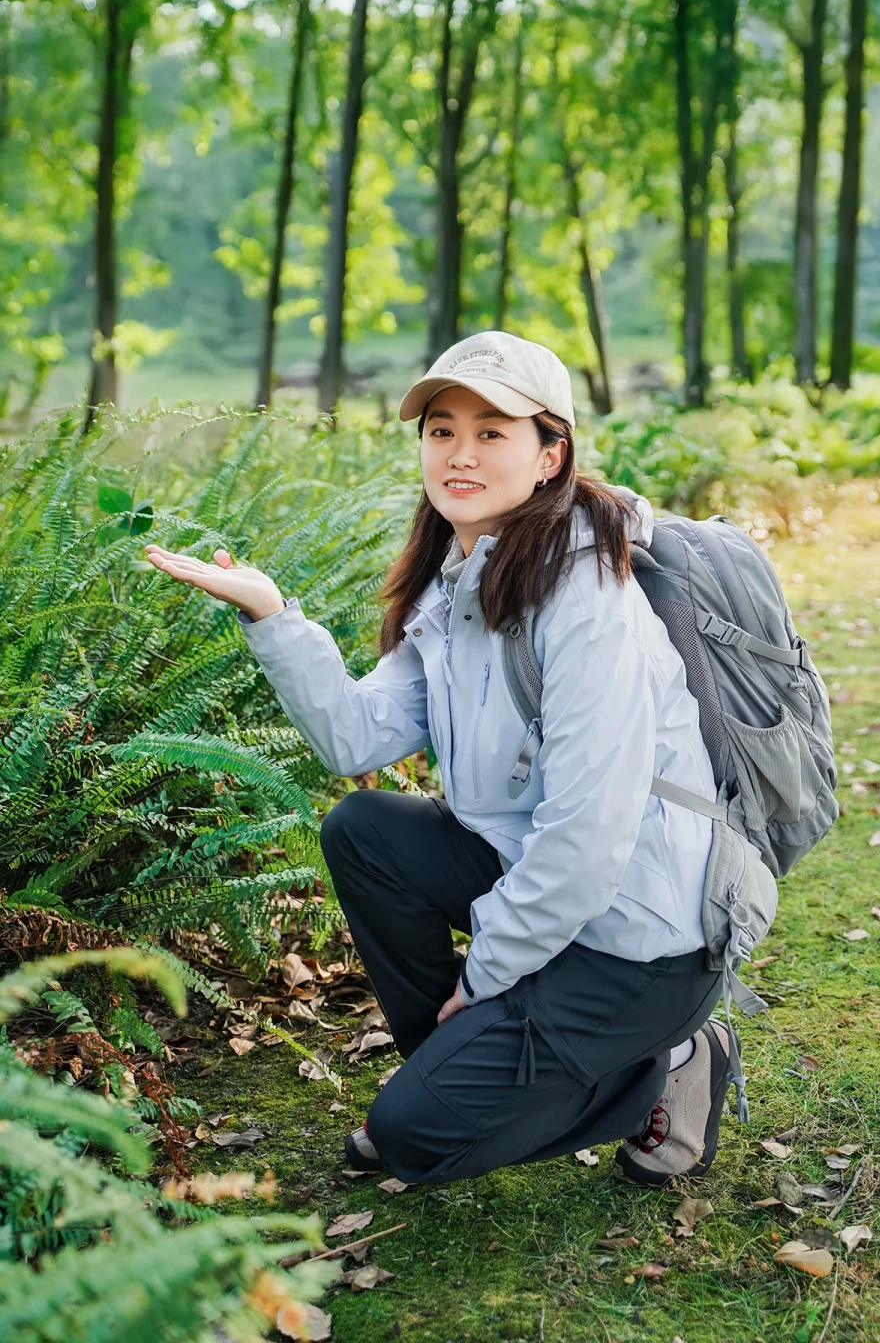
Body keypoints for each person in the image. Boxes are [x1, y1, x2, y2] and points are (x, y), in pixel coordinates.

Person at [145, 330, 753, 1189]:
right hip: (544, 891)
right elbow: (354, 741)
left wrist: (485, 972)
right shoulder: (459, 580)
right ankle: (470, 1069)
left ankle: (669, 1059)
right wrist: (271, 616)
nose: (459, 454)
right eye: (441, 430)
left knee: (413, 1140)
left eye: (492, 431)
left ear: (551, 456)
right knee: (365, 828)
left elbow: (586, 839)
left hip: (639, 937)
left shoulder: (587, 603)